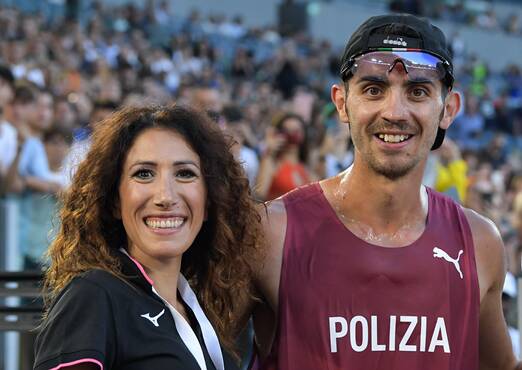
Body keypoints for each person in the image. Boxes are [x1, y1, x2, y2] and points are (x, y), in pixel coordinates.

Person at [248, 14, 521, 369]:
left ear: (448, 109)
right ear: (342, 102)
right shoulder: (271, 232)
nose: (394, 112)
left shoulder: (480, 243)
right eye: (373, 90)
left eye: (418, 91)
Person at [34, 105, 262, 370]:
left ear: (210, 200)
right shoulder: (93, 295)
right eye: (144, 174)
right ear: (114, 201)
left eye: (184, 173)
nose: (165, 196)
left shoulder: (196, 310)